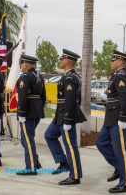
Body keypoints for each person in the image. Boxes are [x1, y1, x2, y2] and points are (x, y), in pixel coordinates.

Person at [96, 50, 126, 193]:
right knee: (100, 143)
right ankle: (119, 167)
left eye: (113, 60)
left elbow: (125, 99)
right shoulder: (116, 75)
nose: (111, 62)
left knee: (122, 151)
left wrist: (123, 118)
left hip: (118, 117)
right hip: (111, 117)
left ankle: (125, 184)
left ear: (120, 61)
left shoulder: (122, 76)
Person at [51, 49, 87, 185]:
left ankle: (75, 175)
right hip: (60, 115)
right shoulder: (68, 76)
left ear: (67, 61)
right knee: (50, 135)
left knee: (70, 146)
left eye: (62, 59)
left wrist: (67, 118)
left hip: (66, 115)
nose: (60, 61)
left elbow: (71, 100)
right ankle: (63, 162)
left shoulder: (71, 77)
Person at [16, 54, 46, 175]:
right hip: (37, 110)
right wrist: (39, 108)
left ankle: (31, 167)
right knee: (26, 139)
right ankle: (34, 161)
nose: (21, 66)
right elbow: (43, 96)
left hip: (27, 111)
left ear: (26, 64)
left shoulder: (25, 76)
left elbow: (22, 96)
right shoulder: (39, 76)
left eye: (21, 64)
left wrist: (21, 112)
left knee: (27, 139)